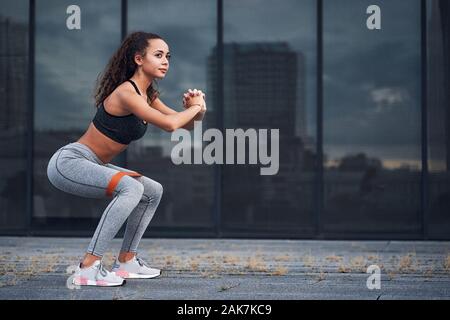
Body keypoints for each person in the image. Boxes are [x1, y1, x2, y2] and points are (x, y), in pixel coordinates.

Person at [46, 31, 206, 287]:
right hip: (69, 163)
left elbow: (185, 126)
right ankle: (88, 267)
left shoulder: (148, 95)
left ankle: (127, 261)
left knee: (152, 190)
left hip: (93, 164)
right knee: (131, 187)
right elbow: (168, 124)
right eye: (158, 55)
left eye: (168, 56)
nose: (166, 61)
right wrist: (194, 108)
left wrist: (198, 110)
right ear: (138, 59)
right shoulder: (126, 93)